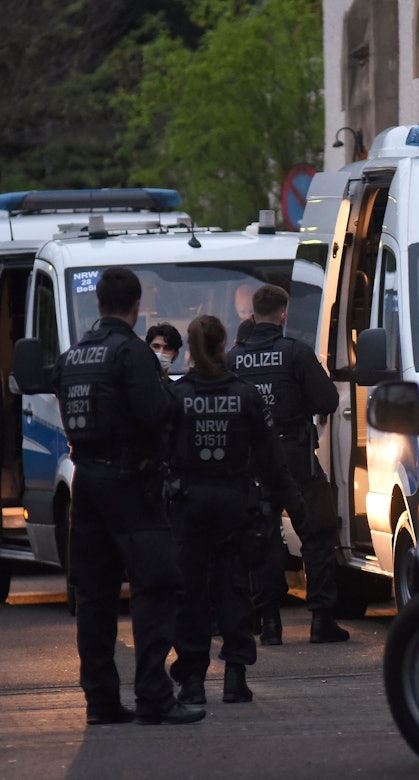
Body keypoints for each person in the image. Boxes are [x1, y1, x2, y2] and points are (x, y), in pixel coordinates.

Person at [52, 266, 204, 726]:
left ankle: (100, 702)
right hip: (131, 484)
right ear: (137, 306)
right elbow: (155, 412)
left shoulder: (73, 356)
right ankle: (154, 697)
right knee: (155, 586)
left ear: (98, 302)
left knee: (94, 595)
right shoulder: (131, 353)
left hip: (86, 480)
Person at [167, 315, 307, 705]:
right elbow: (271, 457)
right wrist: (294, 505)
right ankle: (234, 676)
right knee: (234, 588)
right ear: (222, 346)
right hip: (234, 501)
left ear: (191, 349)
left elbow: (160, 452)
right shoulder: (245, 395)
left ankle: (192, 680)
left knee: (191, 592)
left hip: (189, 504)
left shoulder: (176, 396)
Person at [227, 284, 352, 644]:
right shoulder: (295, 352)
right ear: (283, 315)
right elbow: (327, 400)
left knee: (263, 537)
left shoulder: (234, 359)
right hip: (294, 456)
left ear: (253, 315)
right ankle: (321, 619)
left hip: (252, 460)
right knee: (316, 532)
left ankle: (270, 625)